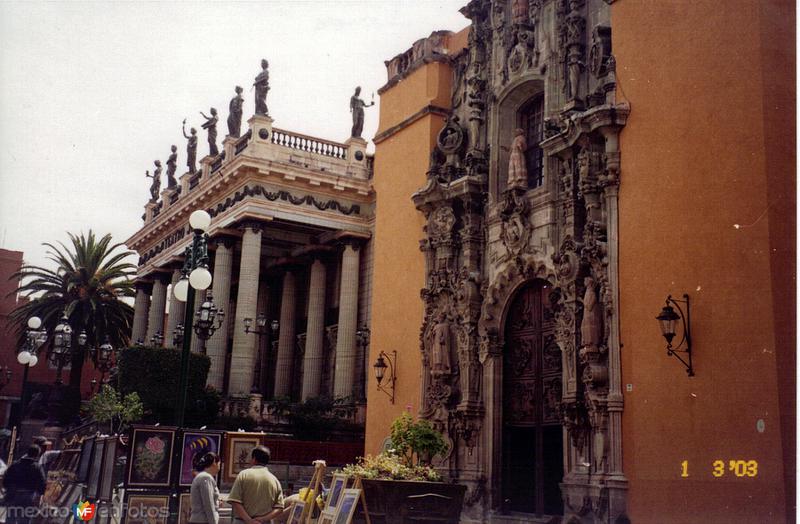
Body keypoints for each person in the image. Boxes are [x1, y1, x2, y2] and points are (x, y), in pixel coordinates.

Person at [227, 446, 284, 524]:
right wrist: (263, 519)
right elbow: (279, 508)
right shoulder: (274, 480)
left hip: (242, 521)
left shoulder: (244, 475)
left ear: (254, 459)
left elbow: (235, 501)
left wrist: (249, 520)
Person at [3, 445, 46, 524]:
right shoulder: (37, 467)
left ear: (28, 452)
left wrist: (8, 491)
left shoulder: (15, 465)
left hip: (13, 496)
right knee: (24, 521)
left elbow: (5, 480)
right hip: (28, 498)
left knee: (10, 519)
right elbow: (42, 484)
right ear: (37, 455)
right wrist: (39, 495)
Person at [189, 452, 221, 524]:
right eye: (219, 464)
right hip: (203, 520)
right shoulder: (206, 477)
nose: (219, 468)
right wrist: (213, 522)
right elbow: (208, 503)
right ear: (214, 463)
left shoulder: (202, 476)